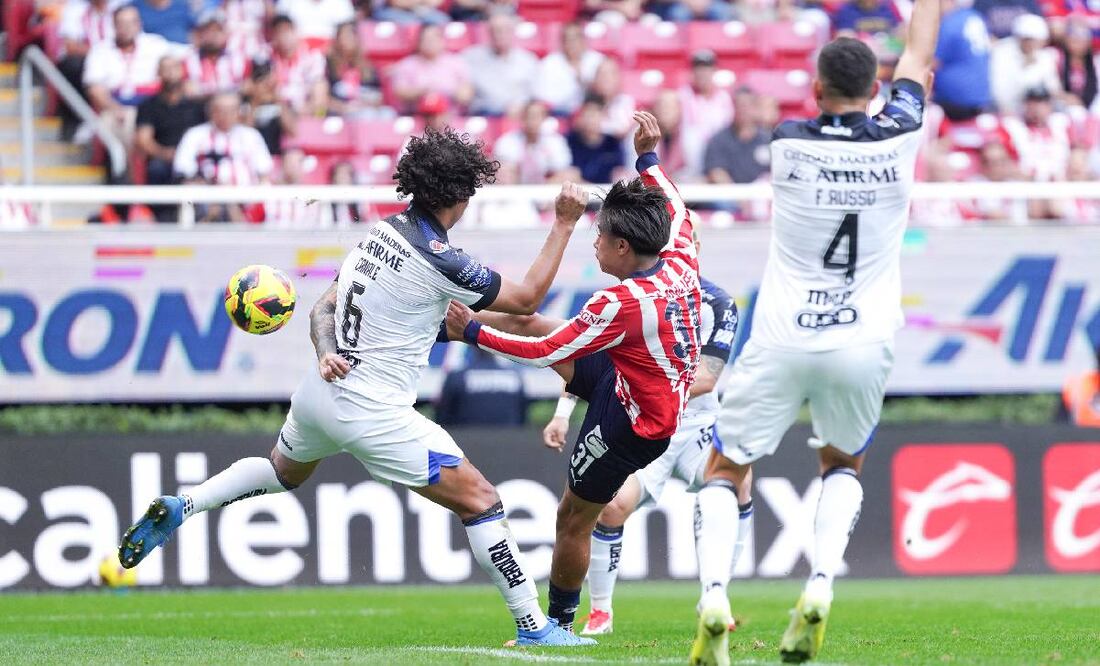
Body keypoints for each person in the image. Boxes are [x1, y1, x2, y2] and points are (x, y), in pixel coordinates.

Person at [119, 127, 596, 648]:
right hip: (374, 409)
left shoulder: (379, 235)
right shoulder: (441, 260)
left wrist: (326, 353)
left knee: (282, 471)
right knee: (481, 501)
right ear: (461, 196)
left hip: (321, 391)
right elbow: (524, 299)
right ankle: (533, 627)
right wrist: (565, 222)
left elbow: (323, 307)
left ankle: (186, 505)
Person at [688, 0, 940, 660]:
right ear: (877, 89)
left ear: (818, 89)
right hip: (863, 336)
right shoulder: (900, 132)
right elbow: (918, 57)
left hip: (783, 333)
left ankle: (714, 596)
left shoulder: (787, 142)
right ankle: (821, 582)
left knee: (725, 466)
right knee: (841, 461)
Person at [444, 111, 703, 638]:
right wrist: (649, 157)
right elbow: (673, 202)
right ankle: (435, 317)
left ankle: (559, 623)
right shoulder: (680, 254)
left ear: (624, 248)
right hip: (631, 374)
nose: (596, 244)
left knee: (572, 517)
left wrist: (473, 335)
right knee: (526, 314)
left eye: (601, 237)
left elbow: (546, 350)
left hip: (634, 424)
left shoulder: (622, 301)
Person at [539, 225, 738, 636]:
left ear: (696, 248)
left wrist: (657, 381)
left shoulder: (717, 302)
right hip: (645, 428)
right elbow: (587, 354)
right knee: (610, 508)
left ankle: (716, 595)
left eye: (688, 244)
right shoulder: (635, 297)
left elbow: (708, 377)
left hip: (697, 426)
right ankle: (601, 612)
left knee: (737, 480)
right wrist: (562, 412)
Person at [172, 92, 273, 222]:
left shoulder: (251, 136)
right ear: (210, 111)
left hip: (246, 200)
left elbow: (264, 172)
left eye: (231, 110)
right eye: (220, 110)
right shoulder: (195, 135)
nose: (226, 115)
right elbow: (183, 170)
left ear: (239, 112)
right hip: (207, 197)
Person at [83, 5, 170, 148]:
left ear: (139, 24)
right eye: (121, 23)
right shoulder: (100, 50)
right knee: (119, 122)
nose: (126, 28)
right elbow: (95, 88)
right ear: (114, 25)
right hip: (116, 107)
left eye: (131, 22)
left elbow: (171, 73)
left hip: (153, 105)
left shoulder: (157, 45)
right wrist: (115, 108)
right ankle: (123, 168)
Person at [134, 56, 205, 216]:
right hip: (164, 157)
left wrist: (186, 156)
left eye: (174, 67)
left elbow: (206, 134)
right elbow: (144, 139)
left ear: (182, 72)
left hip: (193, 158)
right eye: (166, 68)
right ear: (158, 73)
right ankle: (161, 216)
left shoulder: (196, 105)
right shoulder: (148, 105)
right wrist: (165, 154)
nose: (171, 73)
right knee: (156, 169)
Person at [463, 12, 538, 117]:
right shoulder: (471, 57)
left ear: (512, 32)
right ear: (488, 33)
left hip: (519, 115)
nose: (499, 35)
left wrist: (522, 106)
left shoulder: (528, 60)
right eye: (495, 31)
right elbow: (464, 89)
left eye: (504, 30)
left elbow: (534, 92)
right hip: (483, 113)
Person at [391, 23, 474, 114]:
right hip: (418, 114)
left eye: (433, 39)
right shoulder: (407, 64)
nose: (430, 43)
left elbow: (466, 93)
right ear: (418, 42)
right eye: (426, 39)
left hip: (450, 114)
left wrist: (450, 94)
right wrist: (423, 92)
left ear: (442, 41)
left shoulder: (456, 62)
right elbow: (400, 92)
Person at [436, 347, 528, 426]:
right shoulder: (514, 376)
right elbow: (522, 416)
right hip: (509, 442)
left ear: (472, 345)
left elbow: (443, 417)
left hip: (466, 442)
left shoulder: (457, 377)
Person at [677, 50, 733, 180]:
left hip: (717, 166)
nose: (702, 73)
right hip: (688, 168)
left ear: (714, 71)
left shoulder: (724, 98)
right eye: (698, 69)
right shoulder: (683, 95)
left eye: (706, 68)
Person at [990, 14, 1061, 114]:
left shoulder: (1044, 56)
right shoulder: (1002, 52)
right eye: (1028, 39)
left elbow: (1053, 89)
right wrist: (1026, 68)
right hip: (1006, 110)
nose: (1031, 44)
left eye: (1036, 40)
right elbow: (1000, 94)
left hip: (1037, 110)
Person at [933, 0, 991, 121]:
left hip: (955, 99)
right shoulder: (975, 16)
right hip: (981, 96)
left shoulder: (950, 22)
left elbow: (933, 63)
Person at [493, 101, 577, 184]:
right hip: (517, 183)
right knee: (504, 175)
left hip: (547, 183)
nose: (532, 121)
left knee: (571, 174)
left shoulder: (555, 140)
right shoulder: (507, 141)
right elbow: (504, 168)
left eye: (537, 116)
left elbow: (562, 165)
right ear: (522, 118)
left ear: (544, 119)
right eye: (529, 116)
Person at [534, 21, 605, 116]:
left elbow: (606, 92)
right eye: (568, 39)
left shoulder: (598, 61)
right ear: (562, 42)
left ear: (584, 40)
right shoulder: (549, 63)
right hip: (558, 113)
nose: (572, 43)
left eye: (576, 38)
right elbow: (542, 96)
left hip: (593, 114)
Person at [703, 87, 771, 185]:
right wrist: (739, 198)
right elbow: (716, 172)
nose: (743, 110)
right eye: (738, 105)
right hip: (729, 196)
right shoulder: (718, 140)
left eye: (747, 105)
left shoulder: (768, 140)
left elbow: (777, 172)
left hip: (762, 196)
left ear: (756, 108)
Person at [182, 9, 251, 99]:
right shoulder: (189, 61)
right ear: (200, 34)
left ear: (225, 34)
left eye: (218, 30)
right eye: (208, 30)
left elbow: (247, 88)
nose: (213, 35)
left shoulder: (239, 59)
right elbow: (189, 90)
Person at [566, 96, 625, 184]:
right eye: (585, 115)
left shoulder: (613, 143)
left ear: (603, 116)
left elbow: (619, 173)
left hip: (607, 193)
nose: (589, 120)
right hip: (577, 190)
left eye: (593, 115)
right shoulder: (570, 141)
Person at [130, 0, 195, 45]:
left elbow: (195, 31)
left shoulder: (183, 4)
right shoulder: (135, 7)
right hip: (150, 54)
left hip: (181, 50)